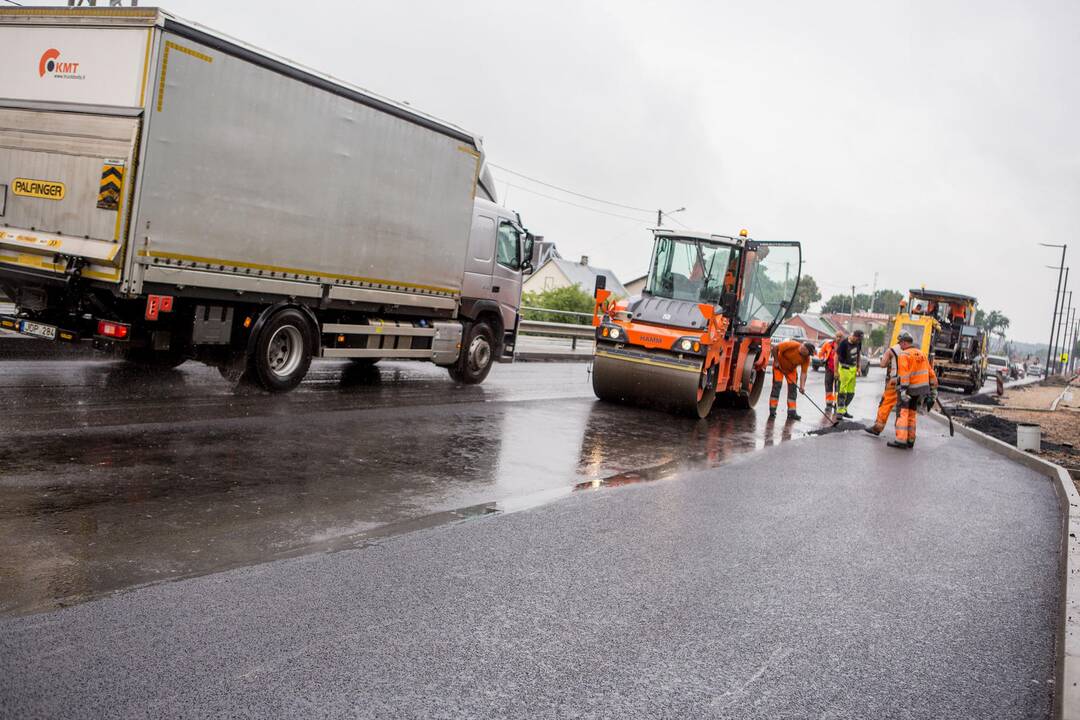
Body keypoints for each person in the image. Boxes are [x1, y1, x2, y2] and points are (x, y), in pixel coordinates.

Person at [887, 333, 938, 449]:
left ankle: (901, 440)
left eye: (900, 344)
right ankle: (910, 439)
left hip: (908, 389)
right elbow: (931, 372)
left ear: (905, 343)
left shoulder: (904, 355)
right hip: (920, 390)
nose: (900, 346)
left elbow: (904, 375)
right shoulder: (922, 354)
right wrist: (934, 388)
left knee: (903, 413)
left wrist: (903, 390)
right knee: (912, 413)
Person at [865, 334, 904, 436]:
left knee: (885, 404)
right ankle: (904, 434)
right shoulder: (914, 351)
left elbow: (883, 364)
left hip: (895, 381)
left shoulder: (892, 350)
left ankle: (878, 427)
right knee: (905, 409)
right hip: (910, 381)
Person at [769, 339, 814, 421]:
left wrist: (802, 386)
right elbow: (775, 348)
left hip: (791, 371)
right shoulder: (792, 345)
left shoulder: (806, 359)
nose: (809, 356)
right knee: (777, 386)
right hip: (779, 367)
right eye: (809, 353)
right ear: (805, 349)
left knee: (793, 389)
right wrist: (776, 361)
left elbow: (803, 373)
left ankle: (792, 412)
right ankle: (772, 410)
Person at [834, 329, 863, 418]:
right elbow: (836, 356)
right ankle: (839, 411)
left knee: (851, 392)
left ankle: (844, 409)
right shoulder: (844, 343)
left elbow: (858, 355)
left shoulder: (858, 343)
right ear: (854, 336)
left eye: (860, 340)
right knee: (842, 391)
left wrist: (859, 367)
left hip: (853, 369)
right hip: (844, 369)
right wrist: (835, 371)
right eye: (857, 339)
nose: (858, 342)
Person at [819, 330, 844, 413]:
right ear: (834, 337)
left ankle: (836, 405)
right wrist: (822, 359)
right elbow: (821, 353)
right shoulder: (828, 344)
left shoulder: (844, 346)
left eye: (840, 337)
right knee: (828, 387)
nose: (838, 338)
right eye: (837, 336)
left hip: (840, 371)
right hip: (829, 369)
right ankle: (829, 405)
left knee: (838, 389)